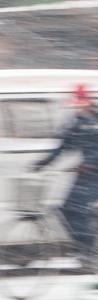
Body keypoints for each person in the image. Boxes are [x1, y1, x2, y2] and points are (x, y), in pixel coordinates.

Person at [33, 84, 98, 255]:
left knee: (78, 207)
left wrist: (91, 161)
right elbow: (63, 146)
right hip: (88, 174)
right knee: (66, 207)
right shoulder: (76, 123)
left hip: (93, 172)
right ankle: (84, 246)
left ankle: (87, 249)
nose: (78, 108)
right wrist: (43, 163)